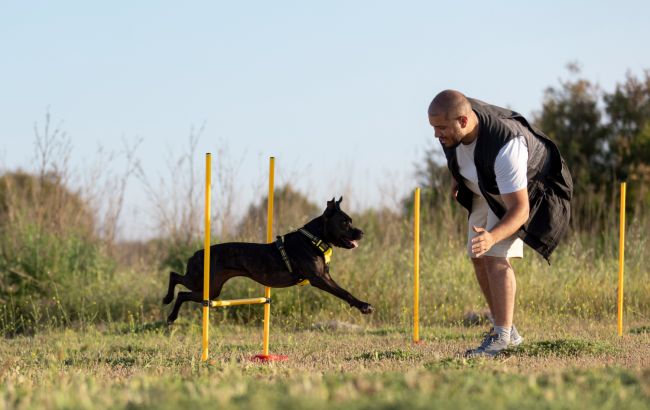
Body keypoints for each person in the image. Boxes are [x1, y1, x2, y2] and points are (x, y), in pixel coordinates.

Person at [427, 90, 573, 357]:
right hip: (486, 183)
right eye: (433, 127)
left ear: (463, 121)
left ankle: (503, 340)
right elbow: (459, 151)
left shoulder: (506, 148)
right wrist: (458, 176)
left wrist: (493, 236)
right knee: (477, 253)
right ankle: (505, 330)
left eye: (441, 128)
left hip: (522, 190)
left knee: (494, 253)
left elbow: (519, 211)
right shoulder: (453, 124)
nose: (437, 134)